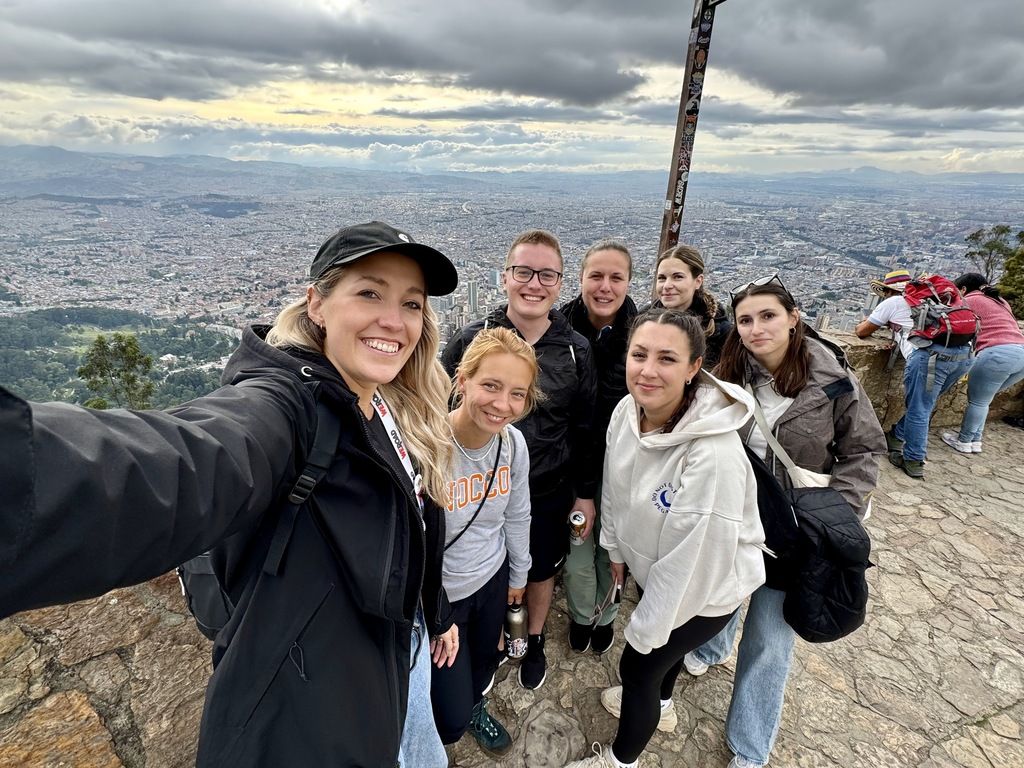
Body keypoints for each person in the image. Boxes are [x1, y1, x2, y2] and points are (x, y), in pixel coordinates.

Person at [0, 221, 460, 768]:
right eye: (369, 292)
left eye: (411, 304)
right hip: (306, 719)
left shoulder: (389, 405)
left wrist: (434, 611)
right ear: (317, 303)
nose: (394, 320)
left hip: (390, 675)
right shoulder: (286, 408)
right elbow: (186, 461)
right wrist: (21, 476)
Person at [688, 275, 885, 768]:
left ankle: (750, 747)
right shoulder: (730, 372)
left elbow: (863, 449)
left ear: (794, 317)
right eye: (747, 319)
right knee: (724, 596)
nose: (757, 329)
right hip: (738, 513)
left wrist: (836, 509)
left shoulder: (831, 378)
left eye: (768, 316)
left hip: (797, 527)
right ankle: (712, 650)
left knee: (769, 639)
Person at [565, 308, 766, 768]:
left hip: (709, 589)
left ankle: (621, 761)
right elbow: (614, 487)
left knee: (639, 669)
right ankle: (666, 704)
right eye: (640, 355)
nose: (648, 370)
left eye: (667, 359)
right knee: (661, 656)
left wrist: (644, 633)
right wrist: (615, 550)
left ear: (695, 367)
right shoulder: (627, 411)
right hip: (658, 570)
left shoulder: (711, 454)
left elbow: (692, 566)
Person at [442, 229, 598, 691]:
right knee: (492, 568)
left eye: (546, 274)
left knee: (541, 569)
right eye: (523, 271)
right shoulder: (474, 338)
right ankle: (490, 641)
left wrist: (585, 494)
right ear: (505, 277)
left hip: (547, 486)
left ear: (560, 283)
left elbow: (586, 427)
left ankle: (531, 639)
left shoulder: (576, 349)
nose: (534, 283)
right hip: (478, 487)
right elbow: (440, 403)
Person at [431, 328, 538, 756]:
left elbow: (517, 514)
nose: (502, 404)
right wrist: (432, 610)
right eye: (490, 386)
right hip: (440, 597)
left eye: (517, 393)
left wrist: (519, 575)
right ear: (462, 380)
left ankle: (476, 707)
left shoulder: (512, 445)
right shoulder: (428, 445)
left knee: (484, 666)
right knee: (449, 714)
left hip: (491, 581)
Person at [559, 238, 638, 655]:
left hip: (624, 468)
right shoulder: (559, 330)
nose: (605, 286)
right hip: (574, 467)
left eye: (615, 277)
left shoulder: (642, 335)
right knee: (576, 556)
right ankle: (579, 614)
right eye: (596, 276)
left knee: (614, 550)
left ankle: (606, 615)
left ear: (628, 282)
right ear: (581, 278)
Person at [855, 269, 972, 478]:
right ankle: (897, 436)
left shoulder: (893, 302)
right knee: (925, 404)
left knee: (919, 408)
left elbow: (862, 331)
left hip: (930, 358)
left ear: (889, 290)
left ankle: (913, 460)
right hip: (963, 356)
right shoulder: (938, 300)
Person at [941, 273, 1024, 453]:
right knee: (984, 400)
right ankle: (975, 440)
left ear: (963, 289)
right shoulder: (1000, 301)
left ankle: (963, 441)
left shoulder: (969, 300)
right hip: (1021, 354)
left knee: (978, 401)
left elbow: (949, 320)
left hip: (997, 354)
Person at [648, 244, 732, 367]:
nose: (667, 285)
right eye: (661, 278)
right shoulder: (644, 319)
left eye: (677, 277)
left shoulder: (722, 332)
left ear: (698, 281)